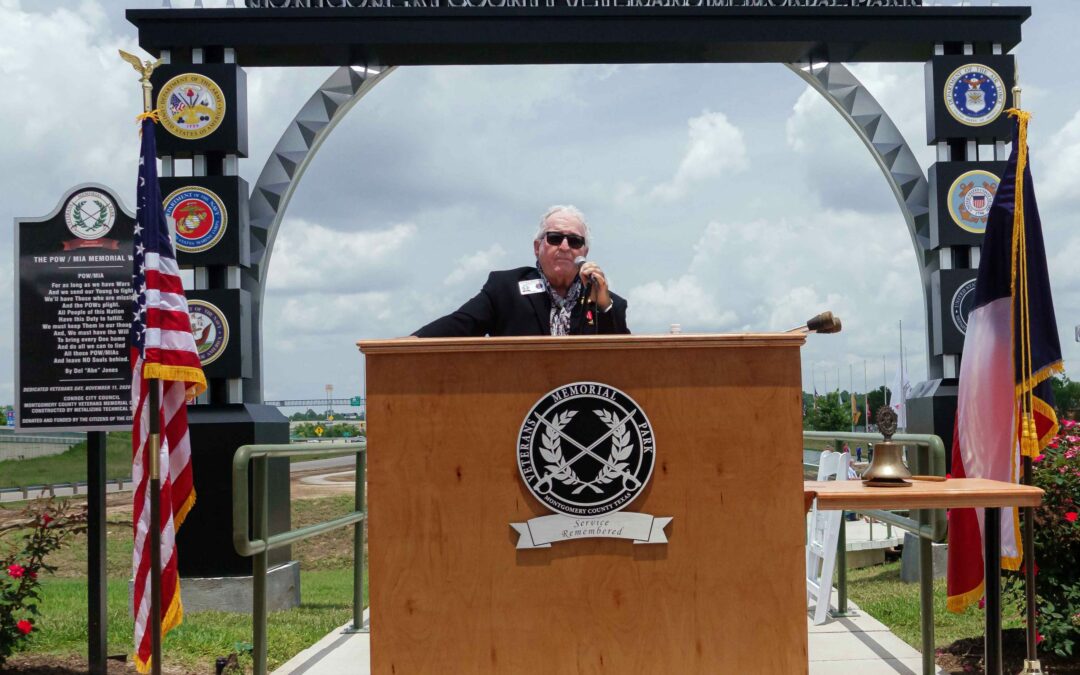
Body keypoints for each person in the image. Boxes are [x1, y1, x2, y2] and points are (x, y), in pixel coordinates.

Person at [413, 205, 630, 337]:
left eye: (574, 241)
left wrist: (604, 307)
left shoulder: (607, 303)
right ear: (537, 248)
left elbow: (627, 363)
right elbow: (461, 324)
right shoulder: (505, 289)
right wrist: (412, 341)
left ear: (585, 251)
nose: (564, 247)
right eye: (554, 238)